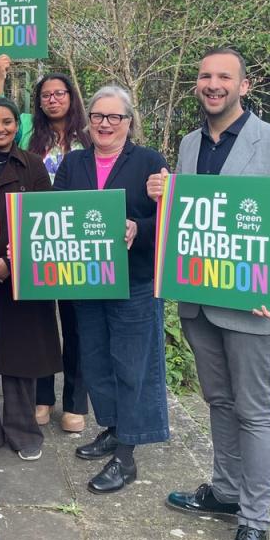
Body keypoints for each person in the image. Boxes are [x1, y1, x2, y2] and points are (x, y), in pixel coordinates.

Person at [148, 48, 270, 540]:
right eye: (205, 76)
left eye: (224, 76)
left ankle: (255, 523)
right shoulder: (187, 144)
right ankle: (225, 491)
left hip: (253, 304)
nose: (213, 84)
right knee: (218, 402)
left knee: (256, 412)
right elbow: (189, 220)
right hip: (199, 301)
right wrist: (165, 197)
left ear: (244, 87)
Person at [54, 85, 170, 495]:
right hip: (87, 280)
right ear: (89, 123)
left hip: (134, 281)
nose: (105, 124)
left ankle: (127, 455)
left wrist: (139, 228)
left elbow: (171, 220)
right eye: (98, 117)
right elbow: (56, 214)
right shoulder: (74, 163)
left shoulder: (150, 162)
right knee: (97, 361)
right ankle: (113, 428)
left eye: (114, 117)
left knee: (132, 363)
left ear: (129, 122)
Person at [0, 97, 62, 461]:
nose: (0, 128)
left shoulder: (33, 165)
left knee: (22, 356)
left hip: (22, 275)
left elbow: (44, 220)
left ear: (16, 126)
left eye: (7, 122)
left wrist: (11, 262)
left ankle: (23, 430)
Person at [29, 72, 92, 433]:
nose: (53, 100)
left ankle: (74, 402)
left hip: (79, 238)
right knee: (39, 321)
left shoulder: (89, 135)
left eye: (59, 93)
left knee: (77, 323)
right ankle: (41, 397)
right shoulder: (29, 135)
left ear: (71, 97)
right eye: (46, 95)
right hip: (38, 234)